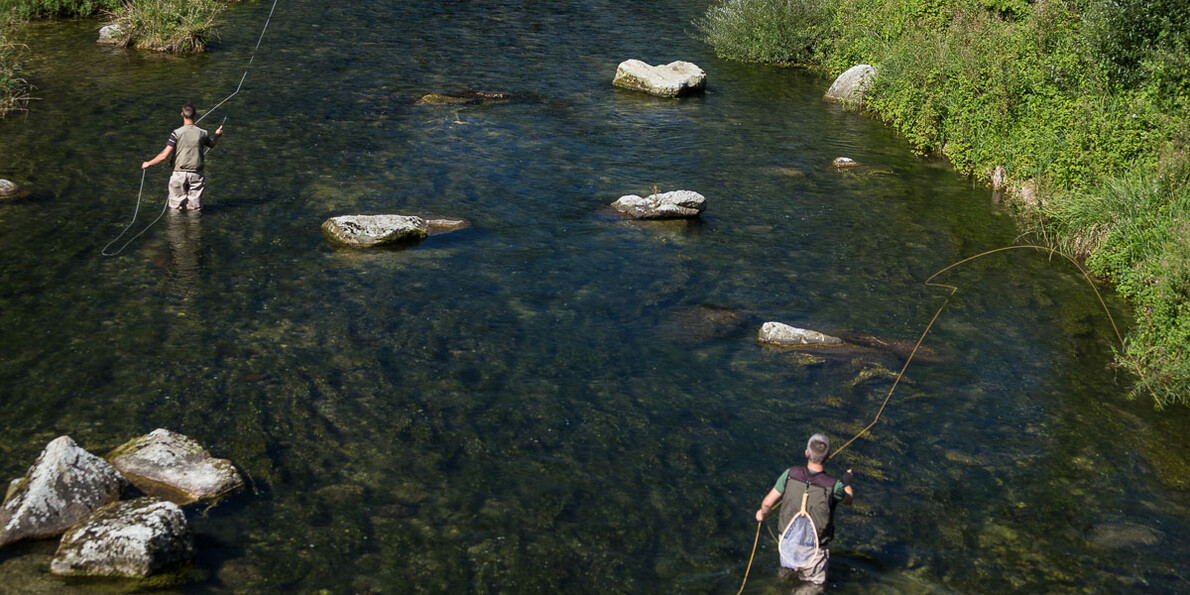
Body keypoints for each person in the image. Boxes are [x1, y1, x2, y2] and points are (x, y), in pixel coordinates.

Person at [755, 433, 854, 591]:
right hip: (814, 550)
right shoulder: (833, 486)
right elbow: (848, 500)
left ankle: (778, 585)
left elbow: (767, 503)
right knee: (813, 585)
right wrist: (847, 483)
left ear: (806, 453)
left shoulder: (790, 474)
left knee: (786, 572)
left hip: (788, 542)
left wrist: (762, 514)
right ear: (828, 456)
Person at [142, 103, 224, 211]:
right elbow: (212, 145)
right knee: (195, 209)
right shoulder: (203, 133)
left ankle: (175, 226)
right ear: (195, 115)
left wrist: (149, 163)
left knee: (175, 208)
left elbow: (164, 156)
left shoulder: (176, 133)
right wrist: (217, 135)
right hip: (196, 174)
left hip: (178, 174)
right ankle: (194, 226)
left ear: (182, 114)